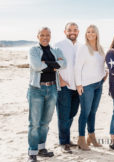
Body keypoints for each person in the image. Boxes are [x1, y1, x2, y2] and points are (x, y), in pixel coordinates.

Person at [27, 27, 66, 162]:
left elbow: (63, 64)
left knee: (45, 122)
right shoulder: (33, 50)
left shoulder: (56, 51)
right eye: (42, 35)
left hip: (53, 89)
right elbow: (37, 66)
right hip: (36, 89)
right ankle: (32, 152)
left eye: (47, 35)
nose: (45, 37)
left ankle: (41, 148)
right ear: (38, 36)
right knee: (35, 123)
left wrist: (46, 64)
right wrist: (54, 65)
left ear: (50, 36)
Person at [74, 25, 107, 150]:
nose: (90, 34)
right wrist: (78, 84)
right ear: (85, 34)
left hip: (98, 84)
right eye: (88, 32)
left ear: (97, 33)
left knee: (93, 112)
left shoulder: (100, 48)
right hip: (86, 85)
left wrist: (105, 74)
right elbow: (77, 67)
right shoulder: (83, 48)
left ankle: (91, 137)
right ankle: (81, 139)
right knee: (85, 112)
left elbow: (101, 64)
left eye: (93, 32)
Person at [54, 22, 80, 153]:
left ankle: (66, 138)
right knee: (64, 115)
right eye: (69, 30)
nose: (72, 32)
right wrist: (60, 80)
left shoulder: (81, 47)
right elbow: (52, 64)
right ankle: (63, 142)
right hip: (63, 86)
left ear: (78, 32)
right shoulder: (58, 45)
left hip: (77, 87)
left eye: (75, 30)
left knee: (72, 113)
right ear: (65, 32)